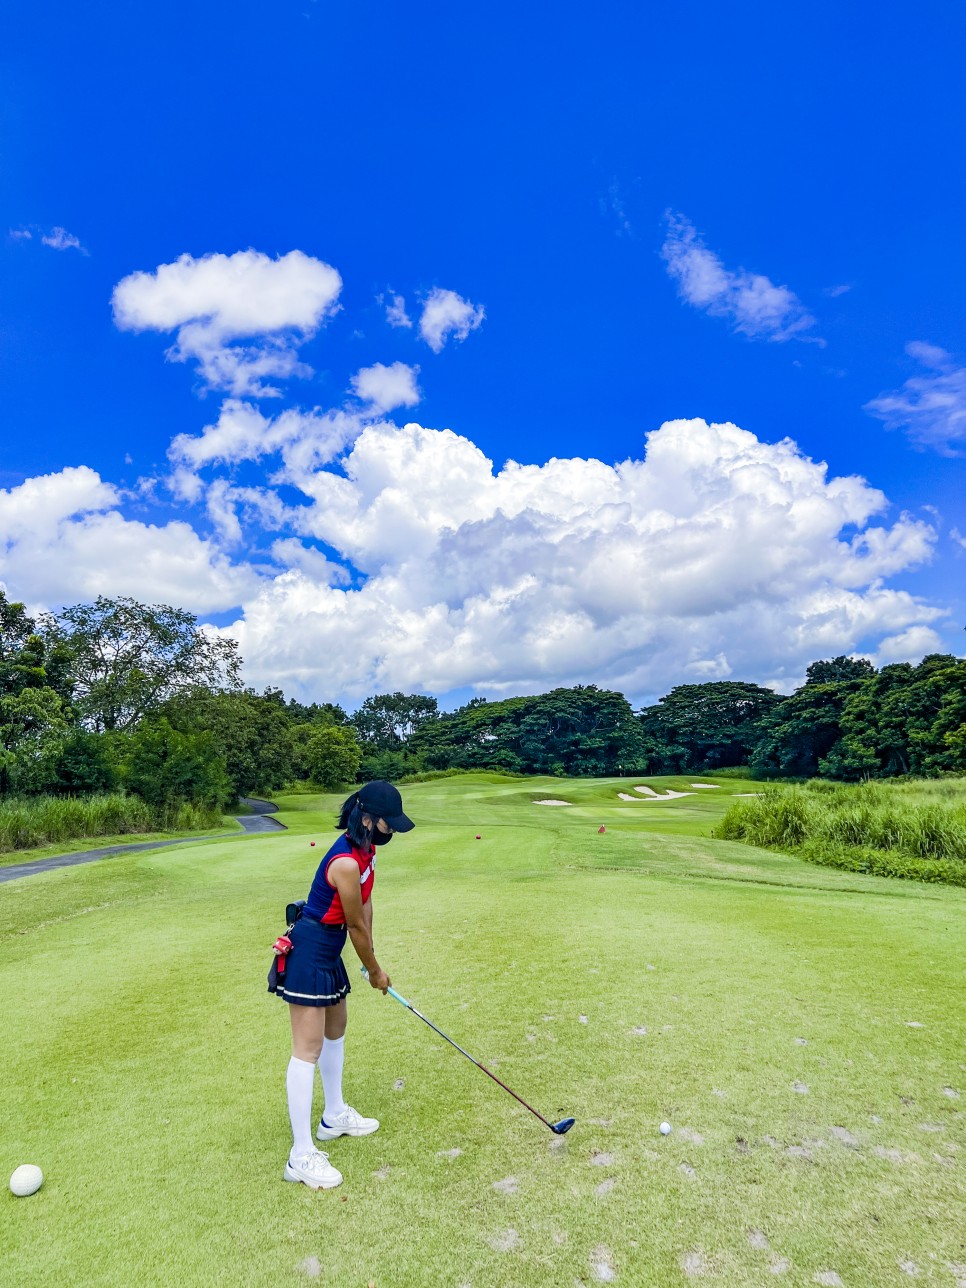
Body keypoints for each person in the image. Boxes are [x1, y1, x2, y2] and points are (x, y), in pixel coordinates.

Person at [275, 780, 414, 1189]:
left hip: (329, 949)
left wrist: (373, 952)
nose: (392, 832)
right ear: (368, 819)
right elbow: (352, 923)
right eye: (389, 824)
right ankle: (300, 1156)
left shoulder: (365, 852)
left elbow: (365, 906)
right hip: (310, 948)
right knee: (307, 1049)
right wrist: (373, 969)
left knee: (336, 1029)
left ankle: (333, 1116)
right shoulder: (345, 862)